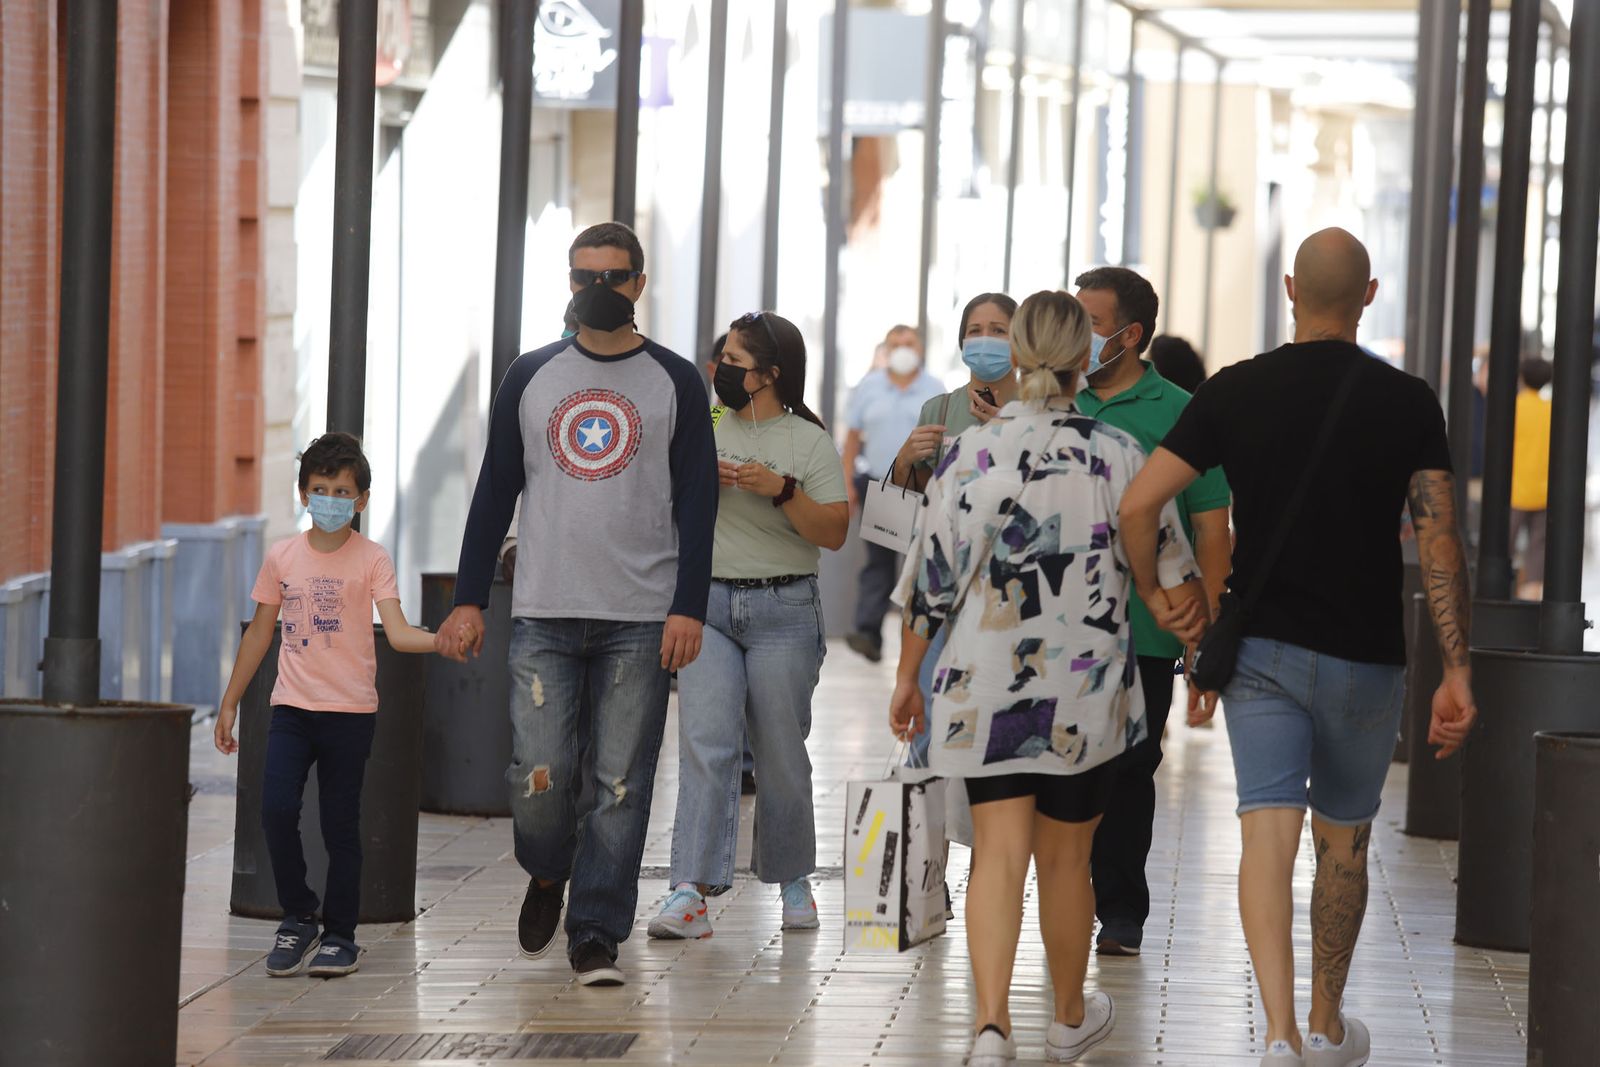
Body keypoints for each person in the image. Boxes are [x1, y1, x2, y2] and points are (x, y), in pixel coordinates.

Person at [1118, 228, 1476, 1067]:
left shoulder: (1236, 389)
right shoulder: (1408, 401)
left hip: (1264, 651)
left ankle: (1276, 1034)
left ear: (1289, 289)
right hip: (1368, 655)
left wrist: (1163, 600)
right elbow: (1439, 541)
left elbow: (1137, 506)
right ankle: (1324, 1022)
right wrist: (1457, 668)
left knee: (1266, 829)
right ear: (1370, 295)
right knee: (1343, 840)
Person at [890, 290, 1208, 1067]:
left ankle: (991, 1027)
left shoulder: (969, 451)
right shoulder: (1118, 454)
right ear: (1080, 360)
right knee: (1067, 859)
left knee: (998, 855)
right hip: (1085, 689)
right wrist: (1190, 623)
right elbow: (1171, 570)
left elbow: (931, 580)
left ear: (1018, 353)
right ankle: (1068, 1018)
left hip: (984, 684)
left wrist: (906, 676)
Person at [436, 222, 718, 988]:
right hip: (544, 611)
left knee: (622, 784)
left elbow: (699, 502)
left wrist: (688, 607)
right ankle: (546, 867)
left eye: (613, 275)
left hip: (641, 615)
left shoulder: (675, 381)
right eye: (583, 274)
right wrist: (468, 600)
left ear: (639, 284)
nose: (598, 287)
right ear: (568, 282)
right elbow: (495, 490)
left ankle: (595, 931)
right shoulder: (531, 374)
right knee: (540, 774)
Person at [649, 311, 849, 941]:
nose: (722, 371)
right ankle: (690, 889)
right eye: (723, 359)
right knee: (705, 746)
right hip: (707, 606)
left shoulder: (807, 441)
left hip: (783, 609)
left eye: (736, 362)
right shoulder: (705, 424)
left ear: (768, 375)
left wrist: (781, 490)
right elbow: (661, 501)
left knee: (781, 754)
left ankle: (792, 881)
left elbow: (834, 532)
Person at [214, 432, 441, 978]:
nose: (331, 500)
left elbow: (398, 632)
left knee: (340, 825)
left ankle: (341, 935)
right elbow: (259, 634)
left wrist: (443, 641)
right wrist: (229, 703)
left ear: (361, 500)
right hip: (291, 710)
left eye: (343, 492)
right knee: (275, 811)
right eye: (321, 489)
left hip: (350, 714)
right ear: (303, 494)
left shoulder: (373, 559)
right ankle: (298, 917)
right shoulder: (282, 556)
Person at [1071, 267, 1233, 957]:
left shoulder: (1182, 410)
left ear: (1130, 334)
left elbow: (1212, 529)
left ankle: (1119, 909)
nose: (1078, 335)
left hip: (1148, 627)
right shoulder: (1055, 399)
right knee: (1067, 769)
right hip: (1060, 627)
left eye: (1090, 323)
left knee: (1131, 769)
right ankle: (1066, 897)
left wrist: (1205, 636)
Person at [841, 325, 944, 662]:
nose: (903, 349)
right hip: (882, 486)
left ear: (920, 349)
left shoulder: (935, 388)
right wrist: (846, 483)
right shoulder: (869, 386)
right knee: (880, 563)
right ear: (886, 349)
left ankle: (921, 641)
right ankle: (868, 634)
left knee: (922, 565)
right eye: (896, 343)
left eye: (908, 343)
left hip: (925, 488)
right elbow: (852, 437)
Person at [1510, 354, 1553, 600]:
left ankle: (1504, 589)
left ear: (1522, 378)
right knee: (1538, 546)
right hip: (1544, 491)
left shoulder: (1515, 407)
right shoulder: (1551, 410)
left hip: (1515, 489)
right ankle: (1531, 593)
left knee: (1506, 544)